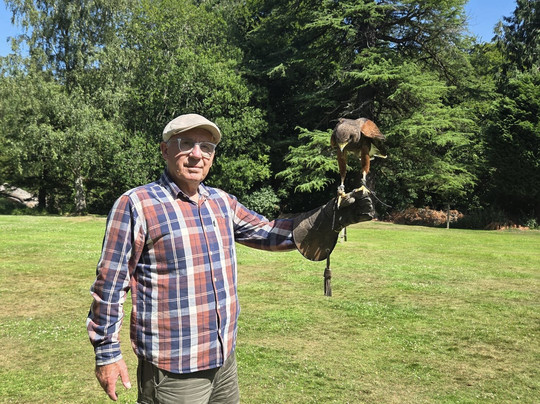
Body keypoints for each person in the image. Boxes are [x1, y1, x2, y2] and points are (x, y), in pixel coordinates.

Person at [87, 113, 374, 403]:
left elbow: (268, 232)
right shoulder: (136, 204)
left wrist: (329, 215)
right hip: (173, 367)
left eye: (206, 147)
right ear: (165, 150)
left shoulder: (222, 202)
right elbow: (110, 284)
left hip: (223, 360)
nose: (197, 154)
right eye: (186, 144)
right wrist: (107, 354)